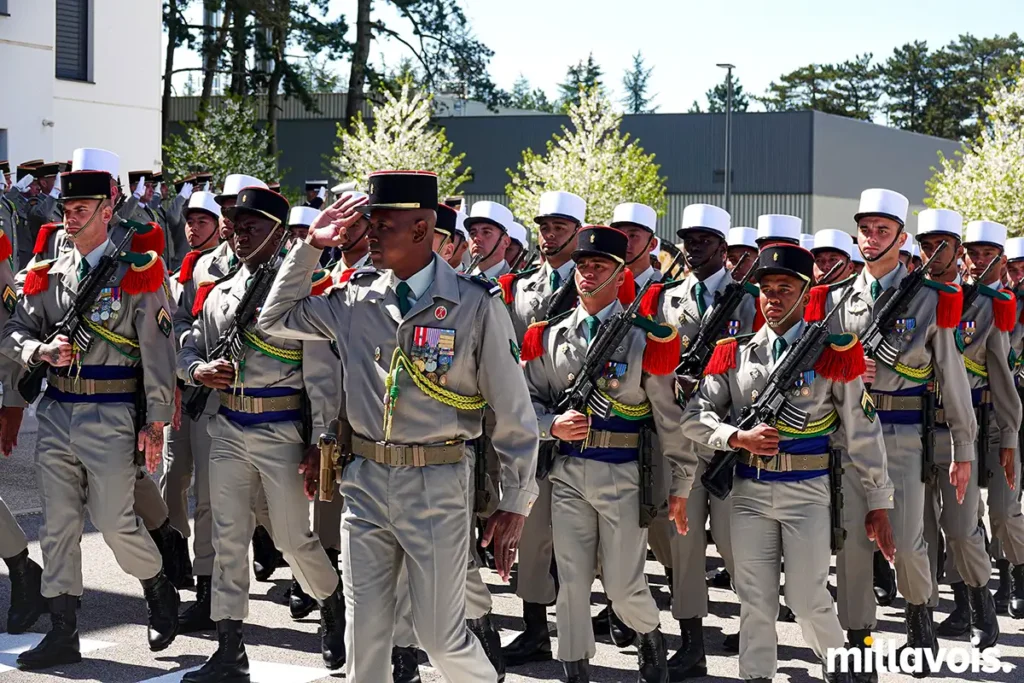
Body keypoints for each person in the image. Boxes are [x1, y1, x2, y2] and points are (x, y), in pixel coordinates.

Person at [258, 170, 539, 683]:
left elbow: (514, 411)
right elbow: (274, 319)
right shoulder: (356, 298)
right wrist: (310, 247)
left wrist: (515, 500)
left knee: (440, 636)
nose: (368, 234)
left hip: (437, 483)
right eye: (368, 224)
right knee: (364, 639)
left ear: (420, 228)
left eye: (382, 225)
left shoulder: (475, 304)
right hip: (365, 482)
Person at [682, 243, 896, 683]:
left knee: (806, 598)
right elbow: (694, 416)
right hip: (748, 491)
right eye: (767, 289)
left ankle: (841, 665)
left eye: (786, 288)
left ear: (805, 293)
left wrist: (878, 500)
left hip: (808, 491)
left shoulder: (834, 352)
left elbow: (862, 431)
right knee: (754, 600)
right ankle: (756, 675)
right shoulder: (733, 352)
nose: (774, 298)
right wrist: (735, 437)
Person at [0, 168, 179, 669]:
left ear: (107, 210)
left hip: (112, 411)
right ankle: (63, 631)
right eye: (66, 209)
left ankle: (157, 584)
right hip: (58, 409)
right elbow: (13, 330)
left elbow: (159, 352)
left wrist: (156, 421)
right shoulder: (45, 272)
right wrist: (38, 350)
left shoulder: (137, 272)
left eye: (81, 210)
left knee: (115, 522)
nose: (70, 218)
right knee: (57, 525)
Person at [178, 186, 346, 681]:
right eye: (236, 225)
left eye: (252, 226)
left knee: (293, 539)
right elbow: (189, 347)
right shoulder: (220, 291)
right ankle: (229, 649)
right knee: (228, 540)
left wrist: (321, 444)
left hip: (281, 429)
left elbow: (322, 377)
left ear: (278, 234)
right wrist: (198, 371)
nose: (240, 234)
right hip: (229, 425)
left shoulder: (303, 290)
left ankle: (332, 601)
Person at [520, 224, 682, 682]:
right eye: (583, 265)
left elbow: (668, 418)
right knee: (571, 581)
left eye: (599, 266)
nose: (588, 273)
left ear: (620, 274)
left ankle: (648, 632)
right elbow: (526, 400)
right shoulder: (548, 335)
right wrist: (550, 425)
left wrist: (681, 483)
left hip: (623, 473)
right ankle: (575, 668)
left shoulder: (643, 338)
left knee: (623, 584)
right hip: (569, 470)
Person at [827, 189, 976, 677]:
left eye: (883, 231)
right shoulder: (834, 298)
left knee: (909, 542)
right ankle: (858, 641)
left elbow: (952, 375)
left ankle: (918, 620)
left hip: (903, 434)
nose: (872, 239)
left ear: (901, 237)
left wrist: (963, 448)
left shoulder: (931, 299)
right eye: (865, 230)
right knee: (853, 544)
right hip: (849, 437)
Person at [648, 205, 759, 675]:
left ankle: (757, 631)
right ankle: (692, 642)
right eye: (688, 240)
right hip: (681, 437)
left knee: (738, 545)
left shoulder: (748, 299)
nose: (694, 248)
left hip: (730, 436)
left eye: (704, 241)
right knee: (685, 543)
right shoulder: (666, 297)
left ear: (722, 247)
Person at [499, 190, 584, 668]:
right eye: (544, 228)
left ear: (577, 231)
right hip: (529, 412)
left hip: (582, 421)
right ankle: (534, 628)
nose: (549, 236)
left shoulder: (597, 279)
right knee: (530, 532)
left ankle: (586, 624)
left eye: (559, 228)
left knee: (578, 539)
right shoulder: (520, 285)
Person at [918, 215, 1010, 648]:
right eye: (927, 245)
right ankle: (934, 614)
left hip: (960, 430)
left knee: (960, 526)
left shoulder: (990, 306)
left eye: (944, 246)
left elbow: (1002, 379)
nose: (935, 254)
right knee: (920, 532)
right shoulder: (910, 298)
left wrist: (1009, 438)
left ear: (955, 251)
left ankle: (980, 601)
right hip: (912, 428)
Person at [610, 202, 661, 289]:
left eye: (633, 236)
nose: (625, 243)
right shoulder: (604, 286)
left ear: (652, 244)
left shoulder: (667, 290)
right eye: (620, 235)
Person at [467, 201, 514, 280]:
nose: (476, 238)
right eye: (472, 233)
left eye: (486, 232)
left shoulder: (517, 284)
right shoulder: (458, 281)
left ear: (506, 242)